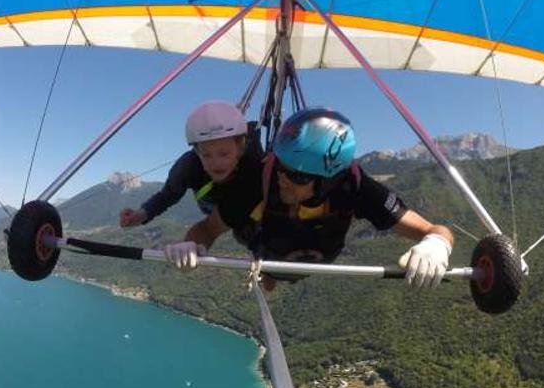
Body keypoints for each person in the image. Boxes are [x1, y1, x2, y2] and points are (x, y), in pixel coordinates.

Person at [162, 107, 454, 290]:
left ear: (328, 180)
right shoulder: (259, 179)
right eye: (281, 166)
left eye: (297, 176)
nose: (282, 177)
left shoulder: (353, 185)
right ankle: (269, 276)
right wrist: (193, 245)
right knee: (259, 247)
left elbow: (434, 229)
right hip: (269, 252)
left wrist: (436, 244)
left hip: (318, 251)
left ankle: (272, 277)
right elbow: (207, 229)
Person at [118, 101, 261, 267]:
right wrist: (141, 215)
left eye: (223, 154)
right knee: (241, 230)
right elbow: (168, 195)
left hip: (244, 200)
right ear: (197, 152)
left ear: (240, 149)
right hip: (211, 202)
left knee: (248, 233)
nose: (216, 163)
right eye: (206, 155)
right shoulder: (189, 166)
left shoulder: (254, 168)